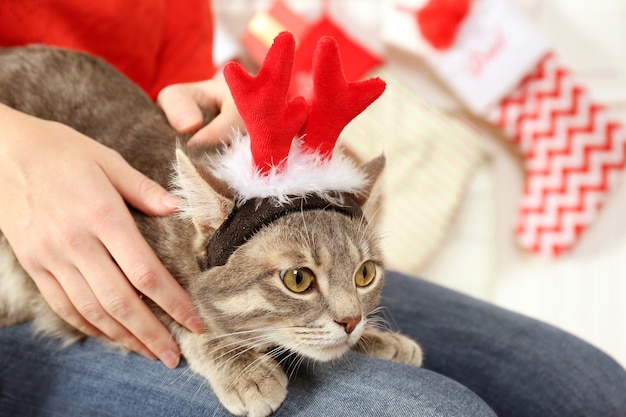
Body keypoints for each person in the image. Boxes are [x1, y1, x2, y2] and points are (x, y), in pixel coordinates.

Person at [0, 2, 624, 416]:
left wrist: (239, 119)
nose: (355, 318)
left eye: (364, 280)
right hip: (30, 276)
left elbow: (191, 126)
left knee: (585, 387)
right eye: (306, 281)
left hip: (215, 229)